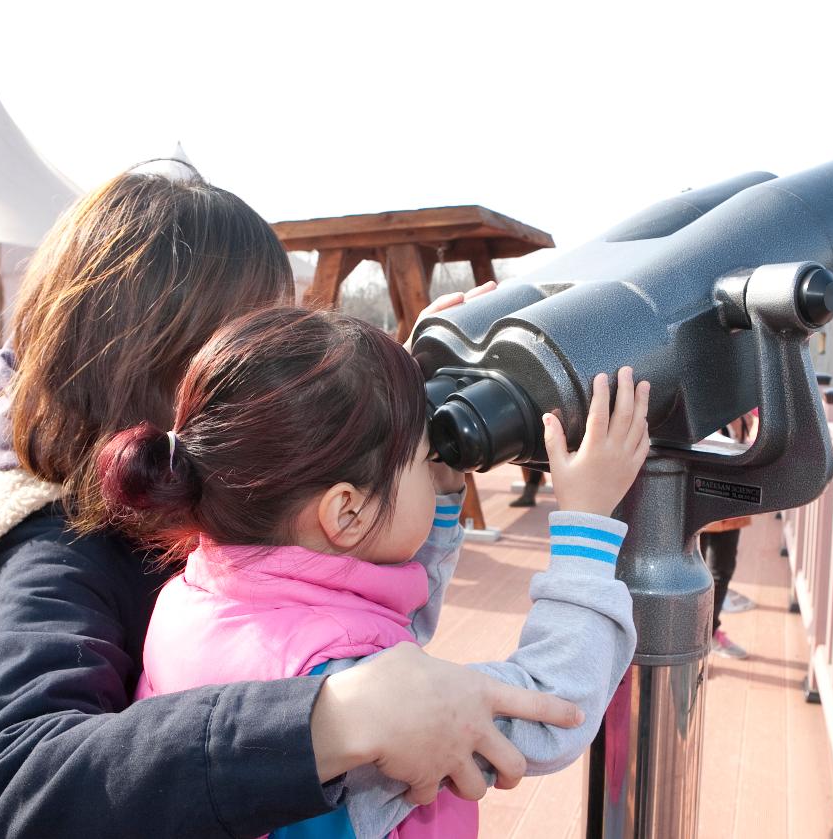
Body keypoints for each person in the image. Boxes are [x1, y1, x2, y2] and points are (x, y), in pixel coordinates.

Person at [0, 166, 584, 838]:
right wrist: (325, 721)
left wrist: (384, 396)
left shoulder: (212, 485)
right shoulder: (55, 548)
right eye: (264, 334)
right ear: (162, 361)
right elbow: (4, 784)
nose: (284, 357)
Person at [100, 306, 649, 838]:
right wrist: (588, 528)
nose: (434, 459)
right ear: (347, 511)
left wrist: (425, 477)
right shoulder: (340, 682)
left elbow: (385, 624)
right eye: (418, 457)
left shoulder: (197, 592)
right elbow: (552, 709)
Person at [702, 409, 759, 660]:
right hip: (702, 501)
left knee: (723, 569)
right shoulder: (706, 412)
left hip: (732, 502)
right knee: (700, 569)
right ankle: (696, 634)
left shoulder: (746, 416)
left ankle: (710, 631)